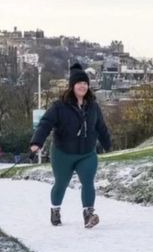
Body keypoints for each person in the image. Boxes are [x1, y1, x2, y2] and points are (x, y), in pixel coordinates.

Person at [29, 63, 111, 228]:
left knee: (88, 182)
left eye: (85, 83)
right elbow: (45, 123)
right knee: (61, 183)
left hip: (87, 153)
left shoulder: (93, 106)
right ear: (72, 86)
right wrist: (37, 142)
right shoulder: (59, 106)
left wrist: (107, 144)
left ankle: (88, 214)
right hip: (63, 153)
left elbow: (100, 127)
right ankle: (55, 210)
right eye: (79, 83)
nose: (83, 86)